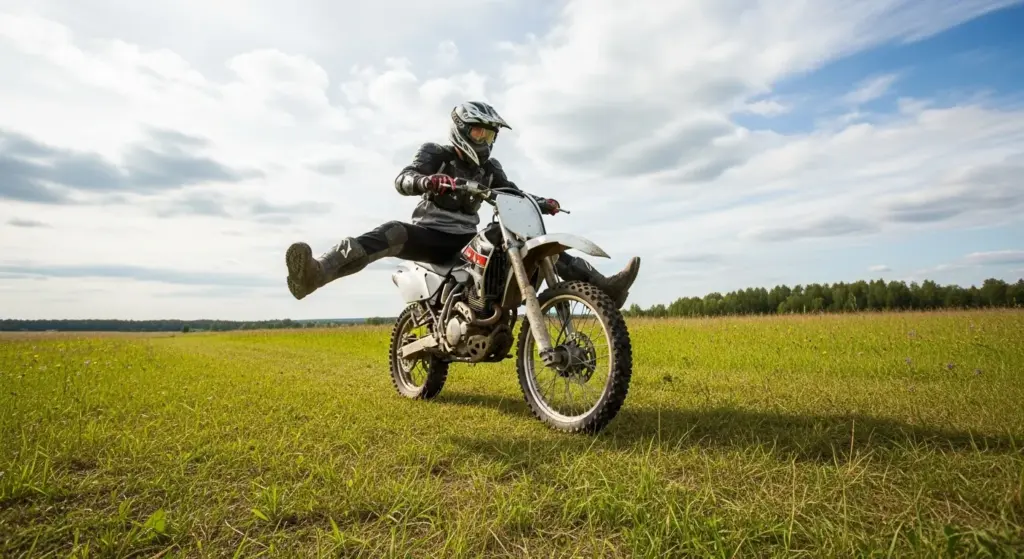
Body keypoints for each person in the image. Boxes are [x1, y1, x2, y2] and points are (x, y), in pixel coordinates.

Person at [284, 101, 641, 307]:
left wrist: (540, 201)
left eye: (490, 134)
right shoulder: (435, 153)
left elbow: (512, 193)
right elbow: (403, 179)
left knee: (523, 241)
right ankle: (315, 273)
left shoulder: (490, 168)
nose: (485, 140)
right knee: (391, 232)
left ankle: (604, 288)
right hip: (430, 235)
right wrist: (427, 180)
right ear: (461, 130)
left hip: (467, 242)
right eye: (478, 132)